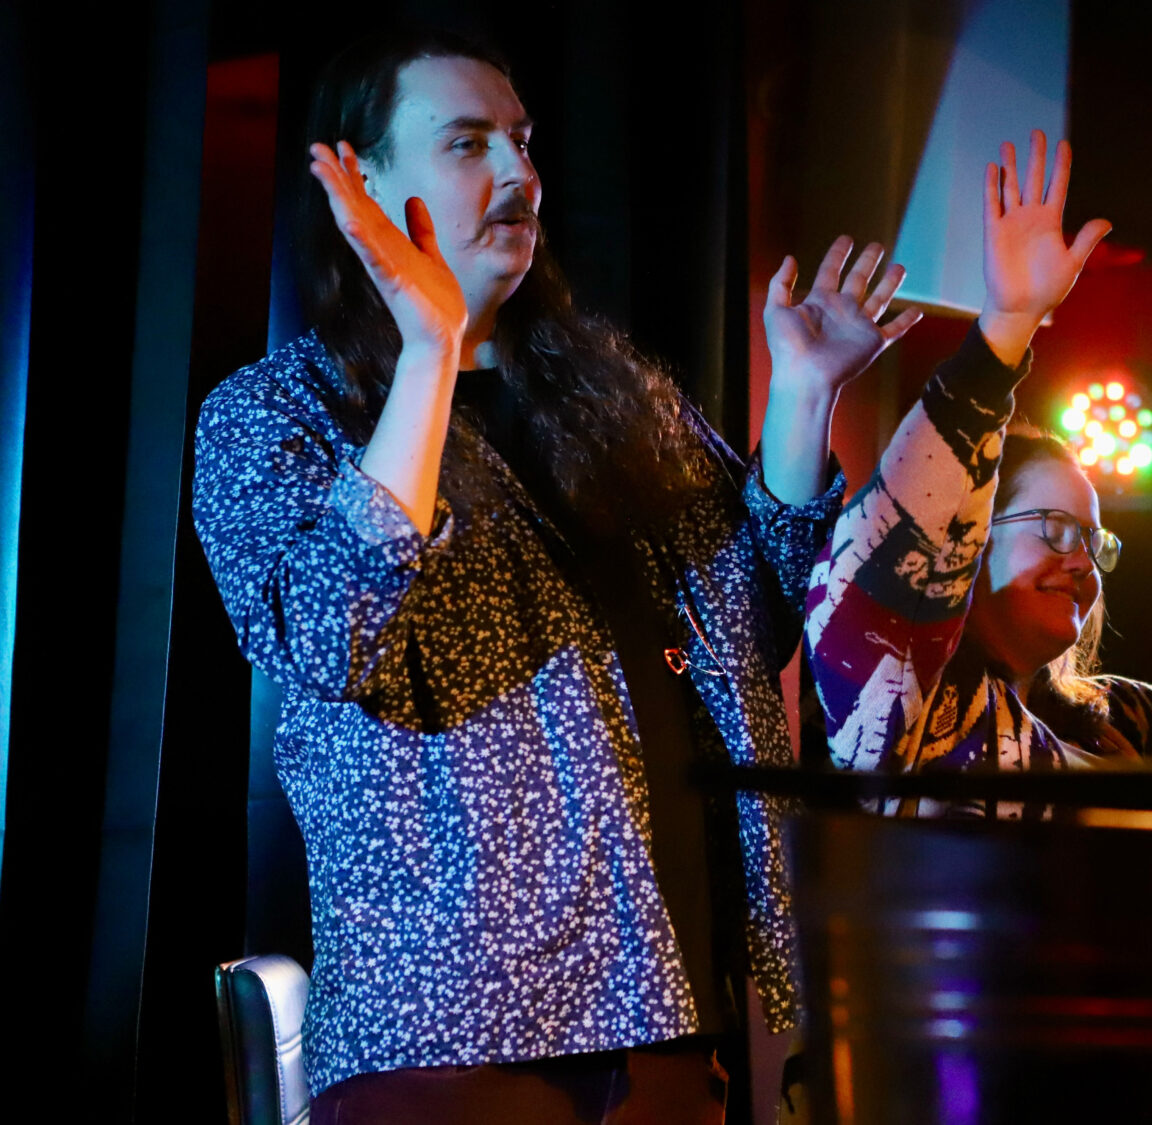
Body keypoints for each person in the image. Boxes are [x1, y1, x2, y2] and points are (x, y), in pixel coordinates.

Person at [193, 29, 917, 1121]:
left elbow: (762, 626)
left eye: (523, 143)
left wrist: (804, 398)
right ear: (363, 184)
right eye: (468, 142)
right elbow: (329, 636)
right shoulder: (279, 413)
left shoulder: (615, 402)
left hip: (671, 1007)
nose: (519, 173)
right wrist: (430, 354)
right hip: (456, 1028)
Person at [805, 131, 1152, 814]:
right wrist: (1005, 332)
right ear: (969, 539)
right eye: (1054, 527)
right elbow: (879, 574)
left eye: (1093, 539)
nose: (1082, 562)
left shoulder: (1106, 720)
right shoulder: (913, 714)